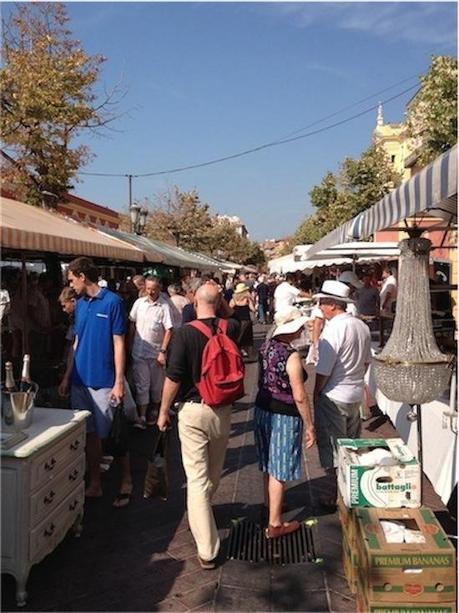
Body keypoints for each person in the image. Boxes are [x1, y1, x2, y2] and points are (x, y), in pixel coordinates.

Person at [157, 284, 240, 569]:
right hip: (223, 409)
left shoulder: (184, 334)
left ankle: (207, 550)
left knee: (196, 479)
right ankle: (203, 516)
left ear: (193, 300)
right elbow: (236, 317)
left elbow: (173, 378)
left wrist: (163, 410)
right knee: (212, 474)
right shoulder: (231, 328)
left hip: (193, 411)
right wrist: (221, 304)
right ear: (219, 302)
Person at [61, 256, 133, 508]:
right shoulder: (80, 304)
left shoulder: (113, 302)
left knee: (114, 435)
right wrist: (68, 375)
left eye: (71, 279)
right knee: (90, 434)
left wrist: (119, 381)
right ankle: (95, 483)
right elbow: (77, 342)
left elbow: (119, 343)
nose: (70, 284)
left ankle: (126, 479)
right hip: (81, 381)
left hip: (104, 381)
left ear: (82, 276)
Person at [254, 308, 316, 538]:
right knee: (279, 469)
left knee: (268, 463)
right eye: (299, 326)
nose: (301, 329)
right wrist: (309, 425)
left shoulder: (266, 347)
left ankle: (268, 505)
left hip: (263, 409)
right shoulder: (290, 355)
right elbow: (299, 394)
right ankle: (275, 523)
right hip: (284, 415)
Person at [313, 280, 371, 510]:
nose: (320, 308)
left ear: (331, 304)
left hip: (335, 395)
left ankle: (338, 494)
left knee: (335, 449)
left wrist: (316, 392)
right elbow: (366, 362)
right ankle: (351, 490)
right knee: (351, 445)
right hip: (354, 392)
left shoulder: (334, 329)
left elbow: (323, 370)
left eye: (321, 303)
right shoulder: (361, 326)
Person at [128, 277, 174, 429]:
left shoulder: (164, 306)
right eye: (148, 289)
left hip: (155, 353)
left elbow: (169, 329)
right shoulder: (139, 304)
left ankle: (154, 410)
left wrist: (163, 351)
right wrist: (129, 344)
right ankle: (141, 416)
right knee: (142, 385)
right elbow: (132, 324)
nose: (151, 292)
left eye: (154, 289)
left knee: (155, 386)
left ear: (159, 289)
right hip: (138, 352)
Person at [229, 282, 256, 358]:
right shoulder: (247, 299)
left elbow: (229, 310)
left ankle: (238, 353)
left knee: (238, 337)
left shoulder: (233, 300)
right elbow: (253, 309)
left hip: (237, 320)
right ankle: (250, 355)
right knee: (248, 339)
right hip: (246, 320)